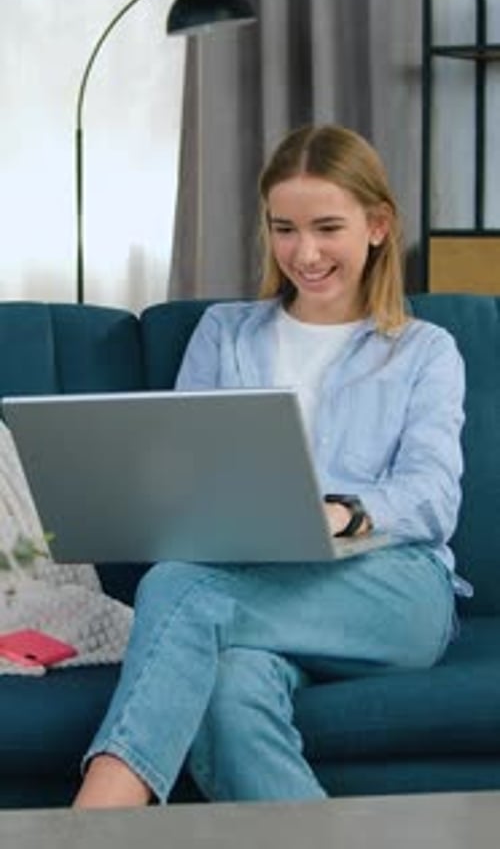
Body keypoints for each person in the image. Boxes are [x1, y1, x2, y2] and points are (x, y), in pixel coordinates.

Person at [74, 124, 467, 809]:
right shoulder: (225, 333)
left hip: (392, 588)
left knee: (177, 592)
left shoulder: (425, 351)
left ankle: (98, 817)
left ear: (377, 226)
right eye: (284, 228)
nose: (304, 252)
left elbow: (433, 495)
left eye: (326, 227)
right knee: (228, 692)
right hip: (256, 587)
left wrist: (346, 511)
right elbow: (182, 470)